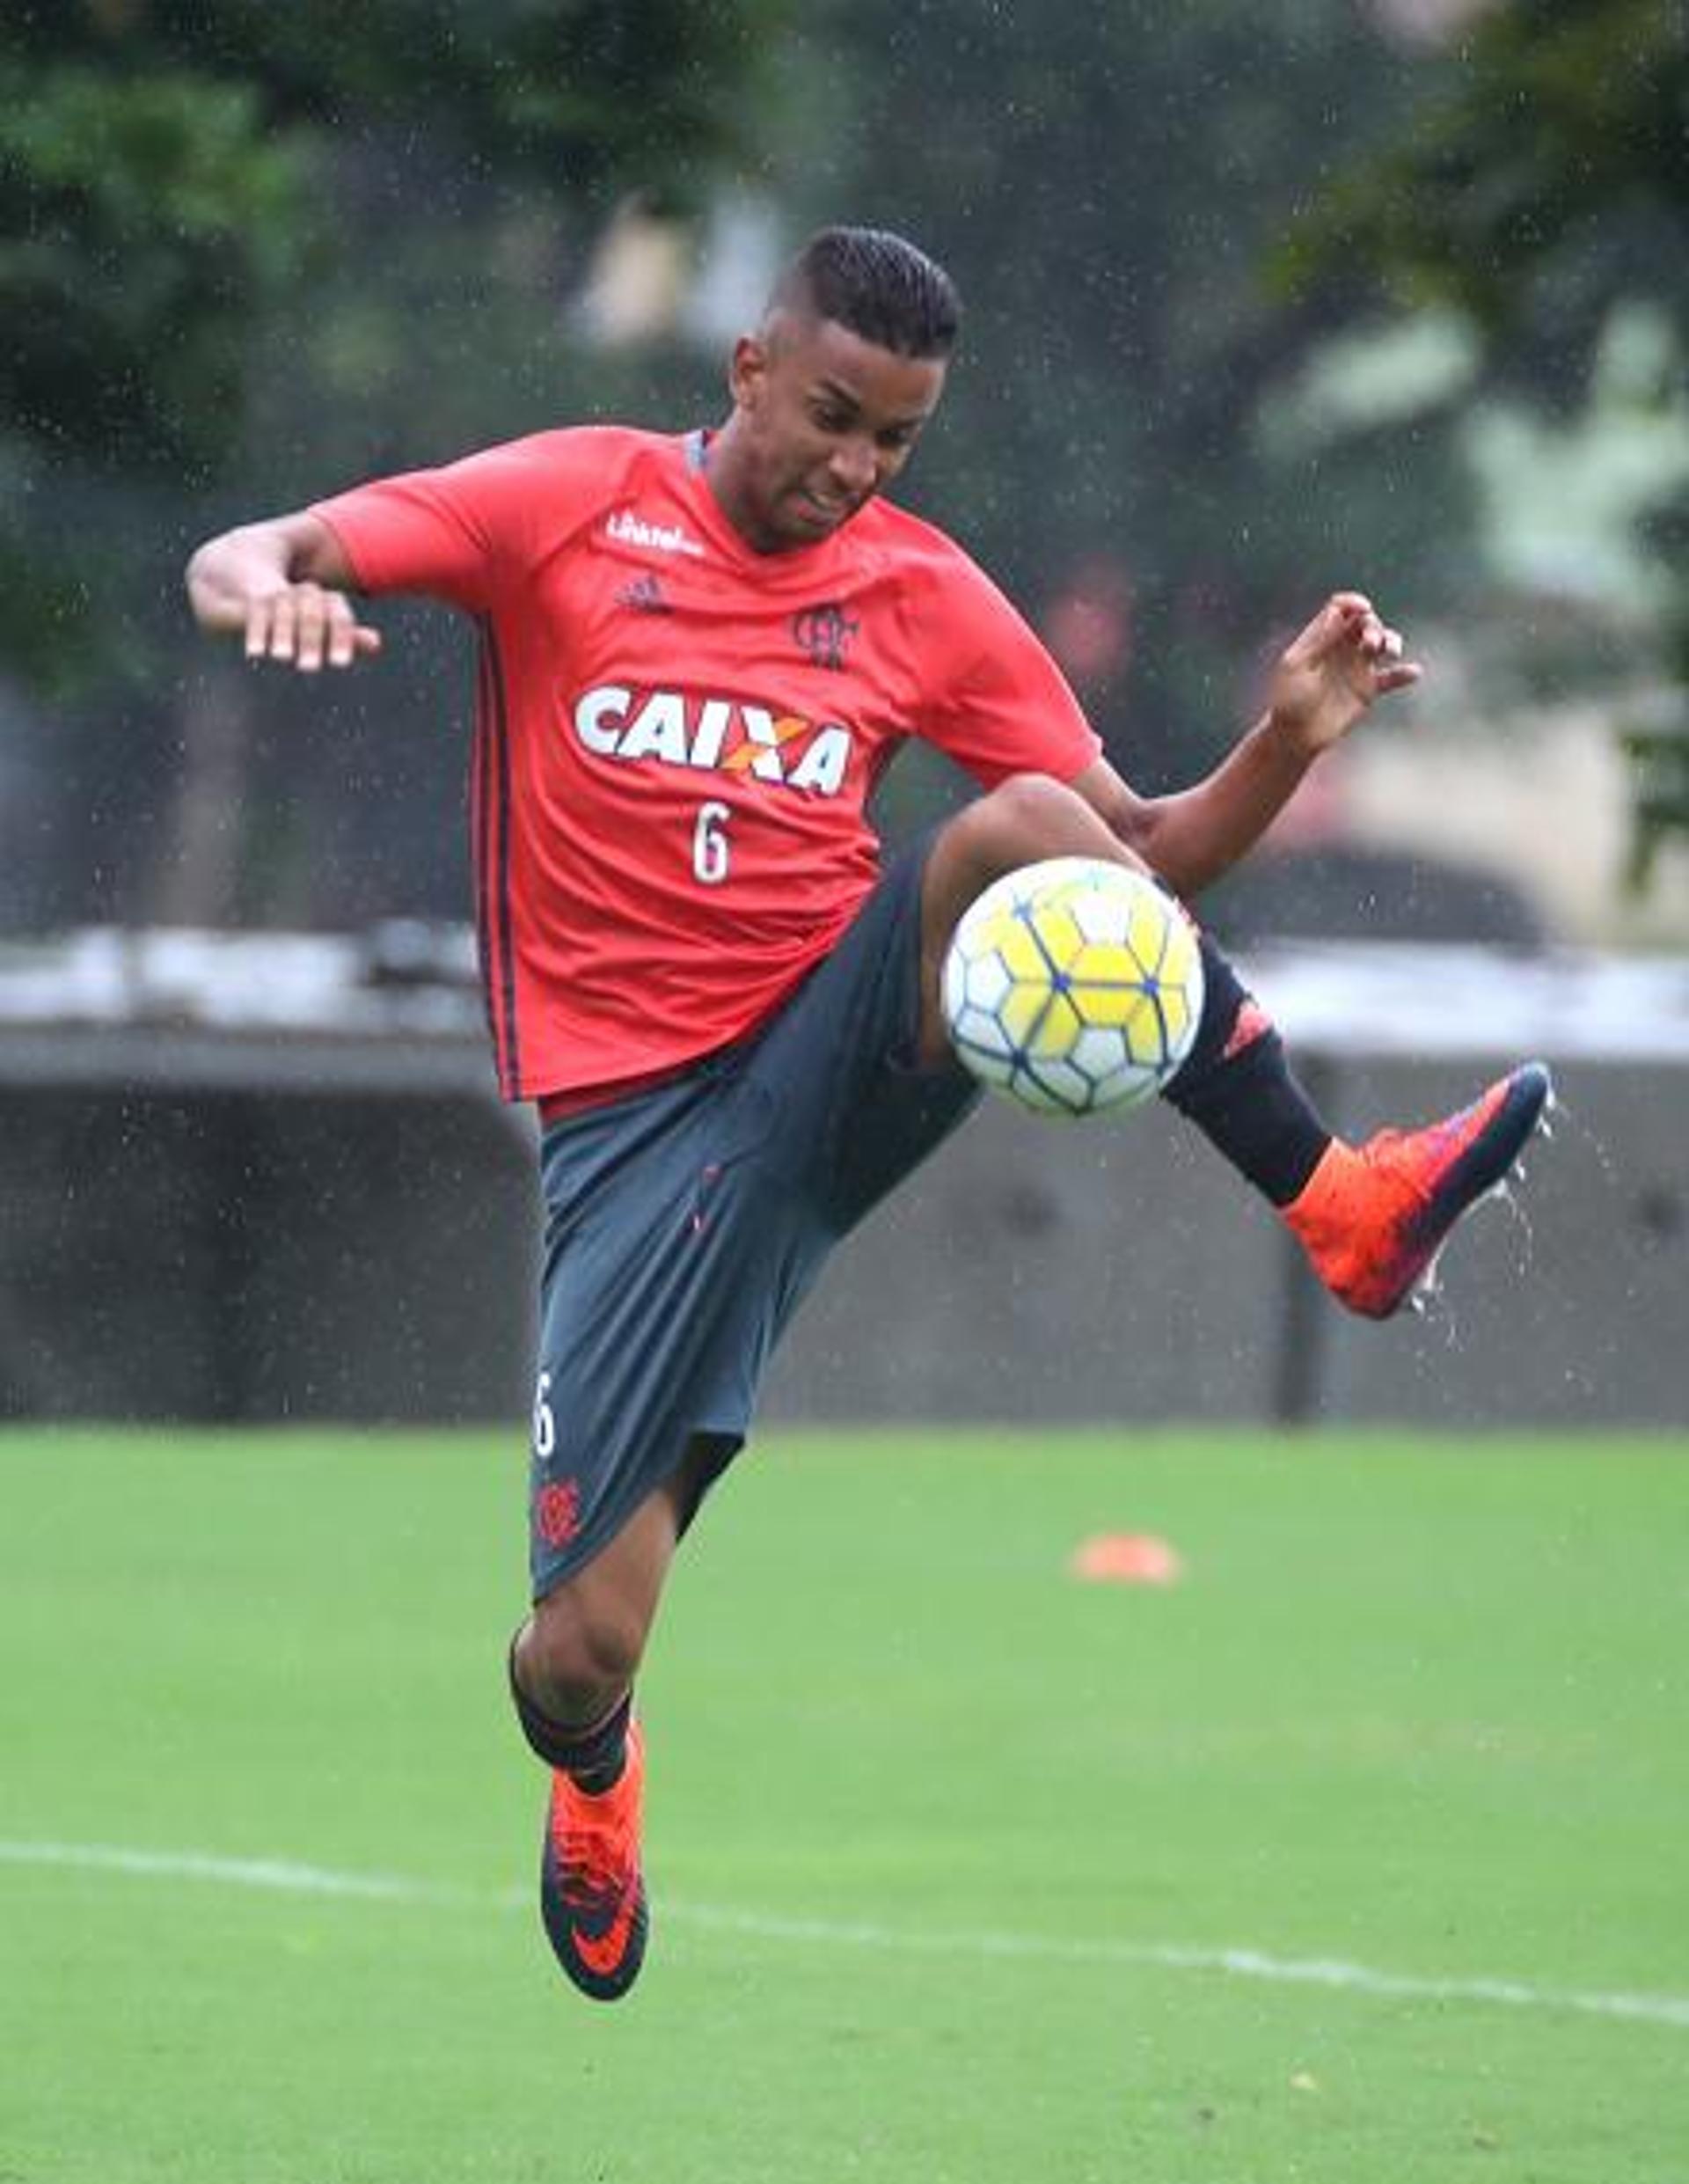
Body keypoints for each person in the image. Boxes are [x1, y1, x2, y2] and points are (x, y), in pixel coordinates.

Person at [186, 224, 1550, 2005]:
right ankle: (596, 1774)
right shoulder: (569, 505)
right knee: (570, 1656)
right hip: (630, 1137)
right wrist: (269, 586)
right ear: (751, 367)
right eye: (834, 416)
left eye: (895, 441)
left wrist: (1284, 742)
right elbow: (250, 545)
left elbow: (1134, 865)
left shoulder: (914, 590)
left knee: (1007, 840)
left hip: (843, 1043)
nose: (855, 466)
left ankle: (1340, 1207)